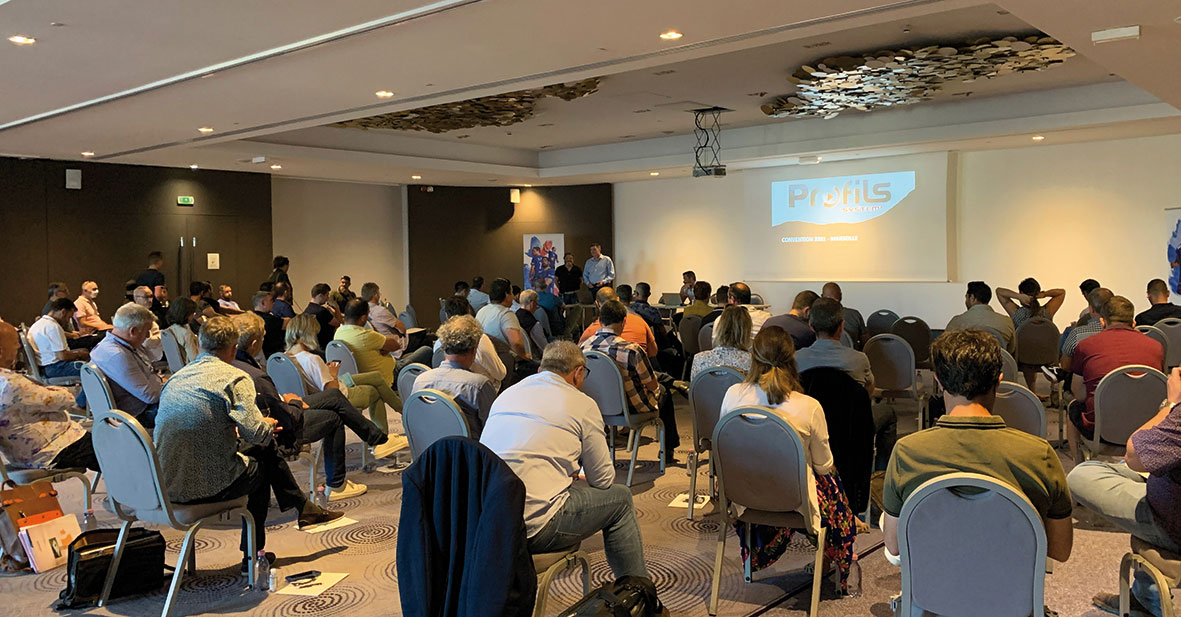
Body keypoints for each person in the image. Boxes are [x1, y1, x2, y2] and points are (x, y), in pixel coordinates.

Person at [154, 317, 341, 568]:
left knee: (259, 452)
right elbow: (258, 434)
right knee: (262, 462)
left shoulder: (176, 379)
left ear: (198, 344)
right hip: (205, 485)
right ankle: (253, 554)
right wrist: (269, 423)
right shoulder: (234, 378)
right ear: (233, 349)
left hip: (166, 483)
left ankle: (301, 510)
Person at [882, 330, 1073, 571]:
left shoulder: (907, 453)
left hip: (936, 590)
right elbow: (1060, 550)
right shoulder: (1040, 454)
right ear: (998, 381)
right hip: (1010, 590)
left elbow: (894, 545)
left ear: (938, 380)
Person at [480, 341, 649, 580]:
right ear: (578, 373)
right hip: (534, 526)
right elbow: (602, 480)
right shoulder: (582, 404)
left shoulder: (506, 395)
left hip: (488, 521)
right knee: (620, 499)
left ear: (541, 370)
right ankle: (639, 590)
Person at [719, 325, 856, 593]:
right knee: (830, 481)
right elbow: (824, 466)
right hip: (794, 502)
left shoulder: (732, 394)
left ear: (753, 358)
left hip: (741, 498)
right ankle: (838, 548)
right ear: (792, 360)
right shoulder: (808, 406)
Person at [232, 313, 396, 501]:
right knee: (334, 415)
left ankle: (375, 438)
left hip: (278, 411)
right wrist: (293, 402)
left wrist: (288, 400)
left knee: (334, 398)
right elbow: (281, 413)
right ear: (254, 344)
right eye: (263, 337)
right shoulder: (255, 374)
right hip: (282, 425)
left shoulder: (246, 364)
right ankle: (338, 483)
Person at [1068, 367, 1181, 617]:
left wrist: (1172, 404)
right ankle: (1144, 596)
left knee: (1082, 474)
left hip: (1172, 518)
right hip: (1167, 475)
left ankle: (1150, 591)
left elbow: (1134, 456)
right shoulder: (1154, 348)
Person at [1067, 296, 1164, 462]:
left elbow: (1079, 394)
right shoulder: (1156, 346)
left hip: (1101, 432)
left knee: (1073, 406)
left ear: (1102, 322)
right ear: (1133, 323)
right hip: (1146, 429)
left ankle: (1078, 465)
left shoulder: (1086, 346)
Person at [580, 300, 679, 463]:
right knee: (664, 392)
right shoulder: (632, 350)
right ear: (624, 321)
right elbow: (651, 384)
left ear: (600, 320)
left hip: (596, 409)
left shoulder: (583, 348)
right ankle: (668, 450)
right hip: (631, 409)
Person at [0, 320, 98, 472]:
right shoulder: (10, 384)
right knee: (119, 451)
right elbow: (66, 400)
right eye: (14, 343)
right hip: (54, 449)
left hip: (24, 454)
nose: (19, 346)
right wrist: (53, 390)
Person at [286, 313, 403, 416]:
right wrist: (332, 373)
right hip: (338, 390)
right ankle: (399, 414)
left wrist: (325, 370)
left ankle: (402, 409)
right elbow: (333, 392)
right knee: (376, 391)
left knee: (376, 376)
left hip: (328, 384)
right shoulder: (312, 359)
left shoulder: (286, 357)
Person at [412, 316, 497, 435]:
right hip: (468, 446)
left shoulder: (421, 381)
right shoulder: (479, 386)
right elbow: (494, 430)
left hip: (430, 446)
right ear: (474, 349)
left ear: (443, 346)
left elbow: (416, 424)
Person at [90, 303, 164, 427]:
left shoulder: (105, 345)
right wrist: (166, 385)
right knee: (191, 406)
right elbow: (150, 396)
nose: (148, 336)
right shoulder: (118, 355)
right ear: (133, 331)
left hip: (134, 406)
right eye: (146, 331)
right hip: (139, 413)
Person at [795, 297, 873, 391]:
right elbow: (868, 392)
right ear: (842, 326)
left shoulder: (796, 359)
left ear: (811, 326)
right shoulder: (860, 360)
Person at [435, 297, 508, 389]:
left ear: (446, 315)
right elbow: (500, 374)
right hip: (480, 389)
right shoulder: (479, 339)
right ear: (469, 311)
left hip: (446, 389)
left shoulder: (439, 342)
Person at [28, 299, 89, 391]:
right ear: (63, 312)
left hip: (45, 368)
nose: (68, 321)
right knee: (93, 370)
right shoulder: (53, 326)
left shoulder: (38, 324)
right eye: (69, 317)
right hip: (55, 368)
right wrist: (80, 354)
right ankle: (85, 399)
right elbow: (62, 356)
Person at [578, 287, 658, 358]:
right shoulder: (639, 322)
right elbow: (653, 352)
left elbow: (579, 357)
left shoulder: (588, 336)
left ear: (597, 304)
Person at [945, 281, 1017, 353]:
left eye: (966, 297)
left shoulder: (956, 322)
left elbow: (945, 348)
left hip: (965, 360)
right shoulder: (1006, 322)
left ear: (972, 298)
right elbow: (1011, 350)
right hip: (998, 360)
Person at [1059, 287, 1114, 374]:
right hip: (1121, 380)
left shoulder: (1077, 334)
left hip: (1087, 380)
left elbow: (1065, 366)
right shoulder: (1129, 334)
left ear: (1092, 309)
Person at [690, 305, 752, 380]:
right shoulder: (751, 362)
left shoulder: (699, 359)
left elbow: (694, 386)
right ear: (746, 332)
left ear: (719, 327)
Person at [475, 278, 531, 360]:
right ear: (506, 294)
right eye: (511, 292)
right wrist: (524, 356)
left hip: (483, 359)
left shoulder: (481, 311)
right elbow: (516, 343)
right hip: (503, 361)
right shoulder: (506, 314)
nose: (513, 297)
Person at [997, 277, 1065, 329]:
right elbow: (1061, 292)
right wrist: (1044, 294)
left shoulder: (1017, 313)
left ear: (1021, 293)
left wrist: (1018, 296)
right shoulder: (1046, 312)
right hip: (1046, 344)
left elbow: (999, 291)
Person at [822, 282, 865, 348]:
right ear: (841, 296)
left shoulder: (817, 317)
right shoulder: (855, 315)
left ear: (822, 297)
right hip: (851, 353)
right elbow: (865, 342)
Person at [129, 286, 164, 363]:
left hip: (156, 354)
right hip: (146, 357)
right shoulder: (135, 316)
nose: (150, 300)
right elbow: (147, 342)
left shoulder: (149, 313)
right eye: (146, 297)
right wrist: (162, 336)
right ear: (136, 298)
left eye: (151, 296)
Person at [304, 283, 342, 350]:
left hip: (313, 345)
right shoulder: (321, 311)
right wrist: (336, 307)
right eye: (327, 295)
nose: (327, 298)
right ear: (320, 296)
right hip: (325, 345)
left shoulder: (307, 310)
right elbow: (338, 323)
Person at [165, 297, 201, 364]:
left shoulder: (170, 329)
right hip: (189, 366)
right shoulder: (186, 334)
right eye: (192, 313)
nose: (193, 316)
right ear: (186, 314)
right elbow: (194, 359)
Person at [251, 291, 286, 359]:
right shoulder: (268, 319)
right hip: (275, 356)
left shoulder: (251, 317)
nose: (274, 303)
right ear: (263, 303)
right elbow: (289, 323)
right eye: (271, 301)